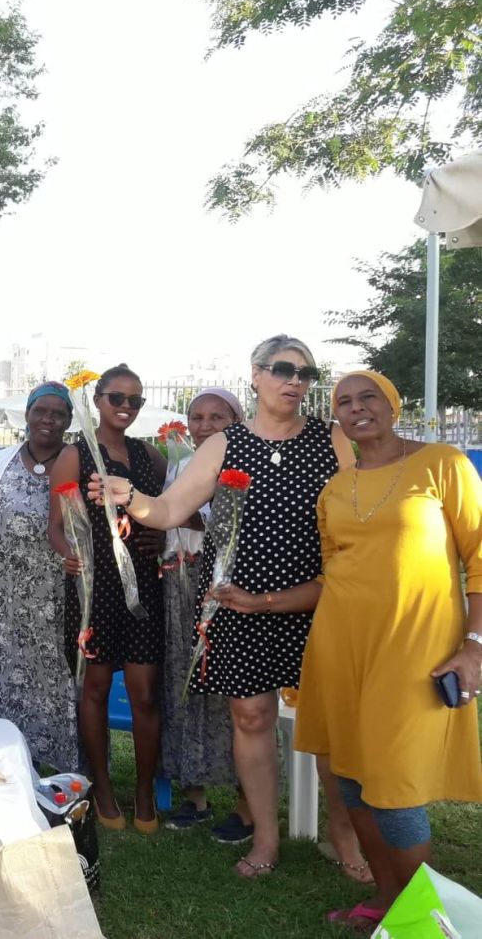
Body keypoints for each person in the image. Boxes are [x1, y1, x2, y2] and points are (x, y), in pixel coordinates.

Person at [215, 372, 481, 929]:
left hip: (414, 651)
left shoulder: (442, 464)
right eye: (344, 402)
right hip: (339, 650)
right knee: (352, 779)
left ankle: (424, 918)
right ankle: (386, 899)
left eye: (368, 397)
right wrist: (259, 602)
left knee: (395, 786)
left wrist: (473, 645)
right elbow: (331, 578)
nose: (356, 408)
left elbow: (478, 559)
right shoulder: (335, 490)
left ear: (392, 405)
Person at [90, 335, 360, 877]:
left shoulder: (332, 439)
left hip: (318, 600)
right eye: (283, 369)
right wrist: (130, 497)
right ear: (256, 375)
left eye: (305, 373)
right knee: (251, 716)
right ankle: (266, 839)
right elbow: (169, 511)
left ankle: (345, 837)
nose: (295, 382)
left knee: (329, 726)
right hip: (237, 600)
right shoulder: (223, 444)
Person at [49, 365, 166, 833]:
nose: (125, 406)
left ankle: (144, 791)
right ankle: (102, 788)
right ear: (97, 400)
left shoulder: (150, 456)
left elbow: (166, 512)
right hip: (94, 588)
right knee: (94, 689)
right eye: (116, 397)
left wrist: (162, 537)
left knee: (144, 692)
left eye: (135, 400)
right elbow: (56, 528)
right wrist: (68, 555)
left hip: (143, 587)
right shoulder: (74, 455)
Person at [0, 383, 78, 770]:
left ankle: (58, 769)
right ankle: (2, 762)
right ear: (26, 415)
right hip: (6, 604)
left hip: (60, 602)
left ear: (69, 421)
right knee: (6, 679)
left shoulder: (77, 462)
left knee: (57, 679)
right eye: (40, 411)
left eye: (58, 414)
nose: (48, 419)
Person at [160, 388, 245, 830]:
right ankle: (194, 794)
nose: (205, 425)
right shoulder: (180, 464)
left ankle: (247, 802)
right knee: (184, 682)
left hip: (229, 589)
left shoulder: (248, 464)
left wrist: (201, 521)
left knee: (235, 690)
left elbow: (244, 532)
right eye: (197, 416)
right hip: (180, 585)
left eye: (218, 417)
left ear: (237, 420)